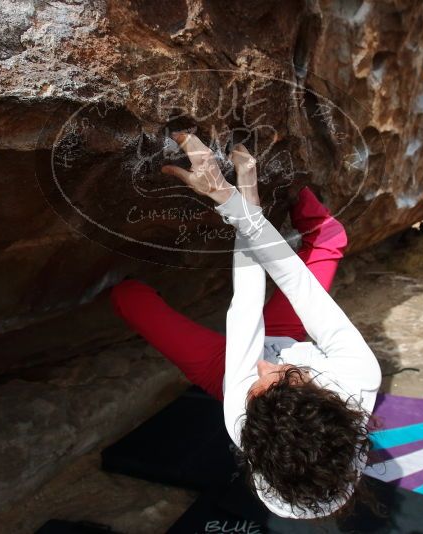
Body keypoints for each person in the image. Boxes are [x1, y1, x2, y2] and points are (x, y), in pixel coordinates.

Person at [110, 131, 382, 519]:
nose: (263, 365)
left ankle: (138, 287)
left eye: (261, 386)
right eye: (286, 375)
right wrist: (237, 200)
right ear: (324, 392)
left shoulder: (241, 413)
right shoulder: (358, 375)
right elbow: (297, 285)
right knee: (328, 241)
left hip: (223, 371)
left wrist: (244, 202)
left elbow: (246, 311)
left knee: (127, 298)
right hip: (286, 338)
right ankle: (295, 190)